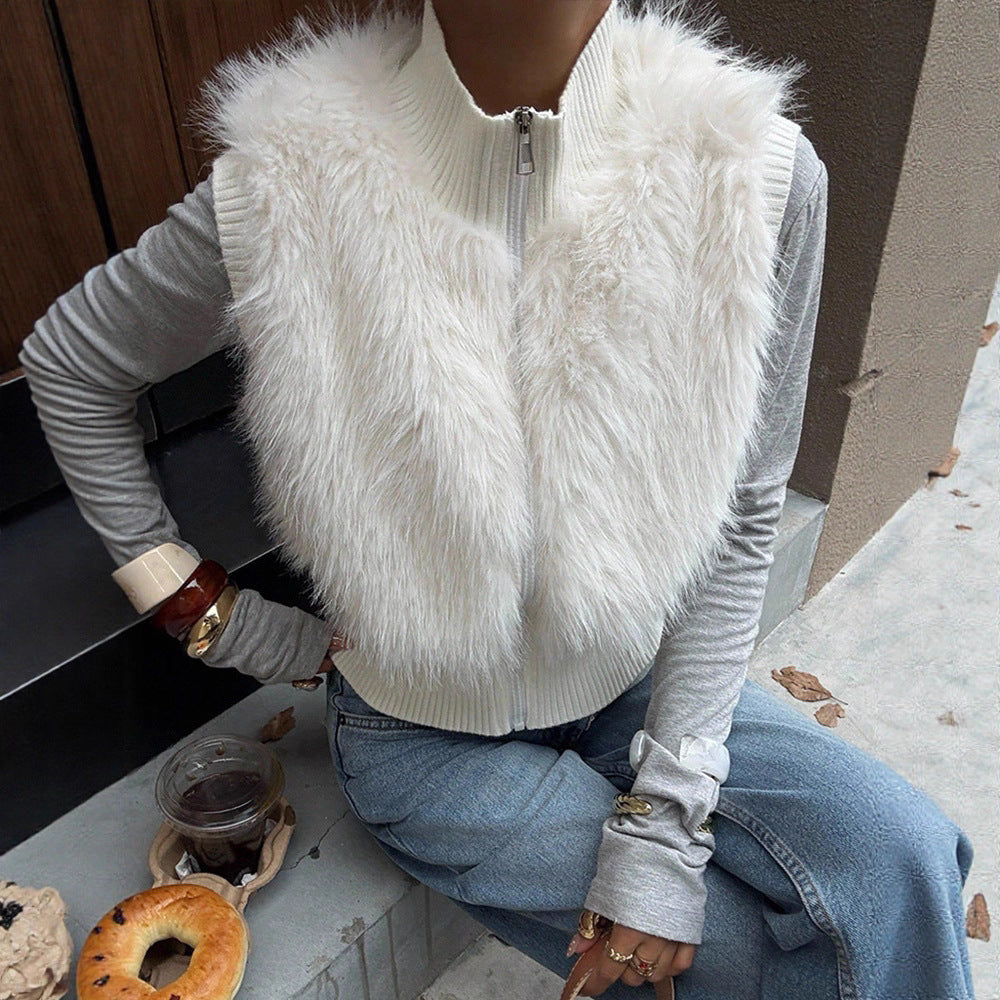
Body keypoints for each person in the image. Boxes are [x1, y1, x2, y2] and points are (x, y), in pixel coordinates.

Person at [19, 0, 976, 997]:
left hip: (635, 683)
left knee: (903, 859)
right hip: (421, 740)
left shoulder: (750, 168)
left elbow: (740, 516)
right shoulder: (287, 173)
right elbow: (72, 361)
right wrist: (212, 614)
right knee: (775, 962)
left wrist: (665, 817)